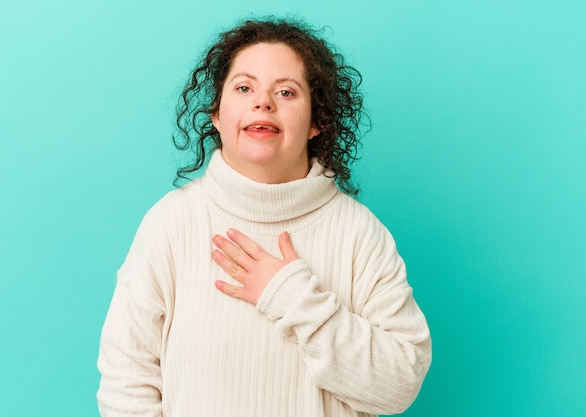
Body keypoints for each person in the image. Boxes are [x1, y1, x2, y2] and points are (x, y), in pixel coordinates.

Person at [97, 18, 431, 417]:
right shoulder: (171, 224)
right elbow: (126, 383)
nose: (263, 102)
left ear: (317, 121)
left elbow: (399, 386)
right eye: (244, 87)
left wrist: (290, 297)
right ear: (217, 115)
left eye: (286, 92)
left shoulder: (360, 234)